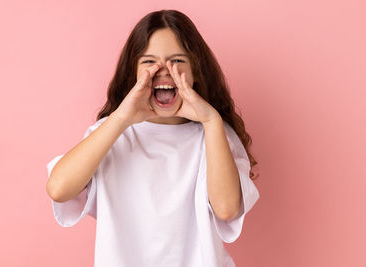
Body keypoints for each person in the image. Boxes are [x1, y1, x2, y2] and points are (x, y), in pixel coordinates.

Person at [46, 9, 260, 267]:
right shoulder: (111, 134)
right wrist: (122, 118)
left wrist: (211, 121)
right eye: (149, 62)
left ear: (195, 72)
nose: (164, 70)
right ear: (132, 73)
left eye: (177, 60)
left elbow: (226, 209)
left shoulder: (214, 134)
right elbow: (58, 189)